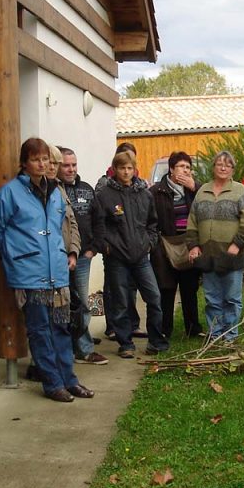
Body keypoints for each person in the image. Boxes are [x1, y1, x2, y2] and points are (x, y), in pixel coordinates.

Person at [0, 137, 92, 402]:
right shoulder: (9, 193)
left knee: (61, 328)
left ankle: (70, 380)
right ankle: (52, 383)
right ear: (24, 163)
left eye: (45, 159)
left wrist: (68, 252)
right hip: (29, 273)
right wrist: (15, 256)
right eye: (36, 159)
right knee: (40, 331)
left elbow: (60, 228)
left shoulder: (56, 191)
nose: (42, 164)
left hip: (57, 271)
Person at [93, 150, 168, 358]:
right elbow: (99, 225)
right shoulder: (105, 195)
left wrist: (150, 244)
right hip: (117, 257)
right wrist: (106, 247)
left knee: (154, 297)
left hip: (142, 256)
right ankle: (125, 343)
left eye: (129, 168)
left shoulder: (144, 193)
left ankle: (155, 341)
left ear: (134, 169)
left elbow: (153, 222)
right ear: (114, 170)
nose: (126, 172)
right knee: (121, 301)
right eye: (121, 168)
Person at [187, 151, 244, 342]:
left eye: (228, 164)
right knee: (212, 299)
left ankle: (230, 336)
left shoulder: (241, 191)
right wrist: (193, 246)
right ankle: (215, 335)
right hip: (208, 256)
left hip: (233, 255)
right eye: (219, 164)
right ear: (213, 167)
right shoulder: (202, 192)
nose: (223, 167)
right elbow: (192, 221)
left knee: (232, 299)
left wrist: (237, 245)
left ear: (232, 169)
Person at [58, 146, 108, 364]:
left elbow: (99, 221)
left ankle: (84, 349)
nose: (70, 169)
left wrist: (93, 248)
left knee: (83, 305)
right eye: (65, 165)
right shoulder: (53, 191)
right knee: (62, 305)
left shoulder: (87, 189)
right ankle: (65, 351)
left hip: (82, 259)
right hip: (59, 259)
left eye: (73, 165)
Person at [149, 151, 204, 340]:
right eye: (181, 166)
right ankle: (165, 330)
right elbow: (149, 219)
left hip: (189, 243)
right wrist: (154, 244)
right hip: (165, 245)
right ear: (171, 169)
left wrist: (194, 187)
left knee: (189, 289)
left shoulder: (196, 189)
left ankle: (193, 328)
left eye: (188, 167)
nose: (185, 170)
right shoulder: (156, 191)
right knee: (167, 289)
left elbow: (207, 206)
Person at [96, 141, 144, 340]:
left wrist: (145, 242)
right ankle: (113, 326)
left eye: (131, 160)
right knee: (113, 288)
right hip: (114, 249)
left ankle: (132, 324)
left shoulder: (140, 185)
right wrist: (106, 244)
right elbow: (100, 217)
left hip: (134, 248)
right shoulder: (104, 183)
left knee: (130, 287)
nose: (127, 168)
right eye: (124, 159)